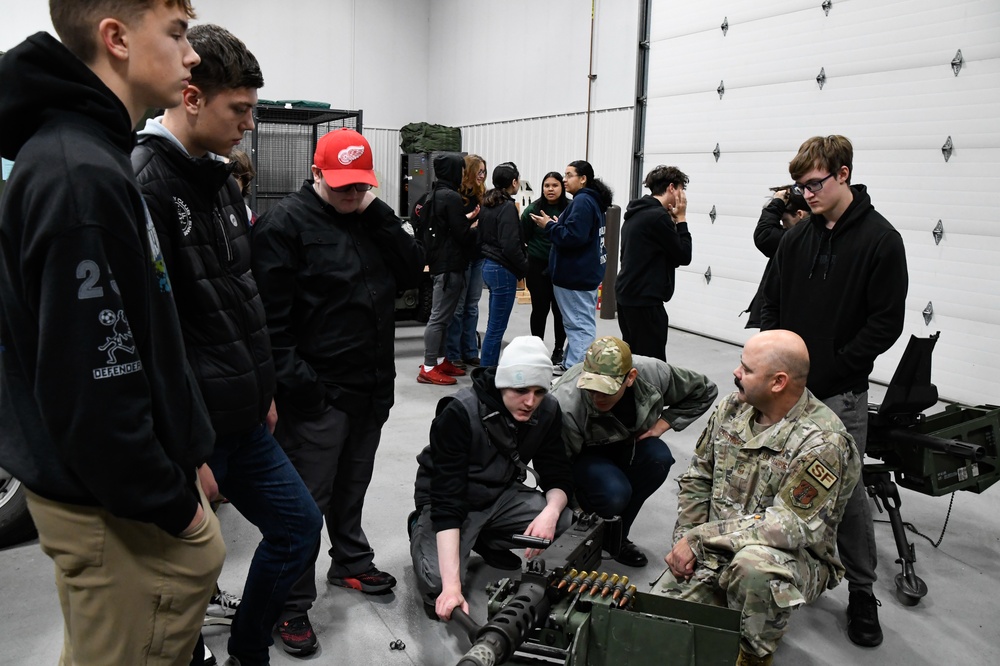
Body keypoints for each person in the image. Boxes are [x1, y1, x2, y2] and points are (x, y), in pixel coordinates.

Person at [0, 2, 227, 665]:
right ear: (117, 38)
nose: (192, 57)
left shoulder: (88, 154)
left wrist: (186, 447)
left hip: (117, 501)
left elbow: (136, 334)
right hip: (120, 515)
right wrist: (179, 511)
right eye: (179, 35)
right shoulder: (79, 175)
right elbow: (94, 388)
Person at [131, 24, 322, 666]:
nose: (248, 124)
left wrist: (263, 389)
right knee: (184, 573)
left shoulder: (221, 184)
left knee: (298, 529)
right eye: (238, 110)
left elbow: (241, 299)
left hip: (244, 418)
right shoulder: (146, 185)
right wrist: (186, 452)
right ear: (190, 97)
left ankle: (248, 653)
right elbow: (153, 337)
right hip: (195, 433)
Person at [251, 128, 424, 655]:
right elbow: (270, 328)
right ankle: (290, 604)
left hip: (371, 387)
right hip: (319, 396)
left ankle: (349, 561)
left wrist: (375, 211)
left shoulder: (371, 217)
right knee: (305, 503)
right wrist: (307, 393)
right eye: (342, 186)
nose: (351, 195)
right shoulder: (285, 227)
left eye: (360, 187)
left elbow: (414, 270)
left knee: (353, 485)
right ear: (317, 174)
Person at [760, 135, 908, 648]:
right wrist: (776, 361)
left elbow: (885, 323)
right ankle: (786, 571)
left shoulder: (881, 241)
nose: (806, 195)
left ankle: (863, 593)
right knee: (777, 480)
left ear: (844, 174)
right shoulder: (798, 238)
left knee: (845, 495)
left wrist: (836, 367)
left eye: (815, 184)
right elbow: (770, 301)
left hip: (840, 394)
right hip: (787, 392)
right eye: (800, 187)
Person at [651, 330, 860, 666]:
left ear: (778, 382)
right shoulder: (732, 408)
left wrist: (701, 539)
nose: (736, 373)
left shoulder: (822, 441)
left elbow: (790, 527)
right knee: (654, 624)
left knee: (755, 568)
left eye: (746, 370)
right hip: (718, 548)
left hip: (793, 558)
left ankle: (754, 654)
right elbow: (698, 478)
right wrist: (685, 541)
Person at [409, 336, 575, 621]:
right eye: (521, 390)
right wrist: (452, 588)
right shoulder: (460, 412)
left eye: (539, 391)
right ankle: (420, 527)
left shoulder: (547, 409)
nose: (530, 401)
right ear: (502, 383)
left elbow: (556, 471)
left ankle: (485, 537)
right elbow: (448, 500)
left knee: (565, 523)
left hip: (500, 494)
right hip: (453, 502)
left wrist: (550, 511)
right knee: (438, 586)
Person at [550, 336, 717, 567]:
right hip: (583, 456)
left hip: (628, 444)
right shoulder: (566, 401)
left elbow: (704, 390)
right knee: (614, 492)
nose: (597, 398)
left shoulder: (654, 373)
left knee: (658, 458)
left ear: (631, 378)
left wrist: (663, 423)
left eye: (606, 391)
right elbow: (557, 466)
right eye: (591, 389)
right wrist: (572, 513)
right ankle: (586, 532)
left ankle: (616, 538)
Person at [531, 160, 611, 369]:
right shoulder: (589, 200)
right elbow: (580, 232)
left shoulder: (583, 202)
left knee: (579, 326)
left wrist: (549, 226)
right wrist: (559, 225)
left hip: (575, 275)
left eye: (569, 175)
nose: (564, 180)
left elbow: (573, 237)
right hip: (582, 273)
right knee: (576, 323)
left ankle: (576, 371)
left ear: (583, 179)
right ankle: (570, 363)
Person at [615, 165, 692, 360]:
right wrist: (681, 220)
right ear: (672, 188)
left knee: (634, 357)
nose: (682, 197)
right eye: (682, 190)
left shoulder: (637, 213)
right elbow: (684, 255)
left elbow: (662, 254)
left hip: (628, 296)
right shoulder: (657, 217)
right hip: (644, 300)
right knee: (652, 363)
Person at [418, 152, 481, 385]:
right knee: (438, 318)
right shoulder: (452, 197)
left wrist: (464, 219)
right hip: (450, 266)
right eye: (462, 170)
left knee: (443, 318)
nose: (464, 174)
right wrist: (475, 226)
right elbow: (462, 235)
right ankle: (428, 366)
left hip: (439, 264)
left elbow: (445, 227)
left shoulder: (434, 195)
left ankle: (440, 360)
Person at [479, 162, 529, 367]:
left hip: (488, 266)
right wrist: (525, 267)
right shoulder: (507, 207)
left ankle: (487, 369)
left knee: (493, 324)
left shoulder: (488, 203)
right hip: (502, 269)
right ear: (514, 182)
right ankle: (487, 374)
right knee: (496, 328)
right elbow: (510, 245)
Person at [520, 171, 569, 365]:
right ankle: (536, 347)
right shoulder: (532, 210)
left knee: (560, 310)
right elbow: (522, 238)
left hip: (562, 266)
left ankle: (558, 349)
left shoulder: (570, 209)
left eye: (555, 185)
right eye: (547, 185)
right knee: (539, 309)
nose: (550, 189)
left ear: (562, 187)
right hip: (537, 266)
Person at [742, 186, 808, 328]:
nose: (782, 226)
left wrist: (777, 203)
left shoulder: (800, 239)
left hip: (785, 321)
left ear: (800, 215)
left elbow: (764, 236)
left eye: (784, 220)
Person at [447, 154, 488, 369]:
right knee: (458, 307)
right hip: (461, 258)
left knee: (472, 306)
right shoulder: (456, 197)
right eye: (478, 171)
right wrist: (470, 221)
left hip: (478, 256)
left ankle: (470, 351)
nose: (482, 176)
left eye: (484, 172)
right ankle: (453, 354)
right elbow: (455, 227)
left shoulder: (483, 196)